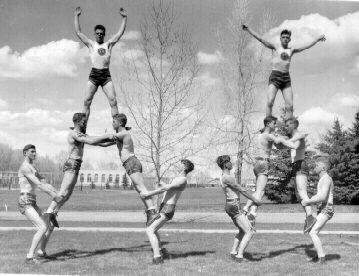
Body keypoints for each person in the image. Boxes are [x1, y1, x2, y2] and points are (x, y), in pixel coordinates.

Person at [44, 113, 116, 224]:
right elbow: (91, 141)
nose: (85, 122)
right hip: (72, 163)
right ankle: (48, 213)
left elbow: (100, 143)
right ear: (78, 122)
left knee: (68, 194)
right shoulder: (73, 134)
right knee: (63, 192)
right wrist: (108, 136)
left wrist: (115, 140)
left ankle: (54, 212)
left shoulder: (81, 135)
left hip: (76, 165)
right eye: (83, 121)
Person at [242, 24, 325, 119]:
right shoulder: (275, 47)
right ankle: (267, 125)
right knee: (270, 101)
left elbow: (306, 46)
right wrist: (249, 29)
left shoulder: (292, 50)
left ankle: (289, 128)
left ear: (289, 40)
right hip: (275, 76)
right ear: (280, 39)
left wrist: (317, 39)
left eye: (287, 38)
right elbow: (261, 39)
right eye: (283, 37)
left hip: (286, 78)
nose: (285, 39)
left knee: (289, 105)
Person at [243, 116, 306, 231]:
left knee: (257, 190)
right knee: (260, 191)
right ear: (268, 124)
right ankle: (251, 214)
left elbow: (279, 143)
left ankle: (246, 208)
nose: (276, 126)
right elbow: (280, 143)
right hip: (264, 163)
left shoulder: (261, 135)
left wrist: (284, 137)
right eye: (274, 123)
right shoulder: (269, 135)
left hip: (257, 163)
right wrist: (297, 137)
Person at [74, 6, 127, 121]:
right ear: (94, 34)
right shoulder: (91, 44)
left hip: (105, 75)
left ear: (104, 34)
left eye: (101, 33)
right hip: (94, 74)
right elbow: (78, 32)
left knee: (113, 101)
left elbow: (119, 34)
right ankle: (82, 128)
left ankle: (118, 129)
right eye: (97, 33)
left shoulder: (108, 44)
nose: (99, 35)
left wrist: (124, 18)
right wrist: (76, 16)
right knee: (87, 101)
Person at [140, 159, 195, 265]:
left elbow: (164, 189)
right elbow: (169, 189)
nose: (177, 166)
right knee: (154, 230)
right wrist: (164, 184)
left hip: (167, 209)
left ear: (184, 167)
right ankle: (160, 252)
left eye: (179, 165)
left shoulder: (182, 180)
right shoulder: (178, 179)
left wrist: (148, 194)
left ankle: (157, 258)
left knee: (150, 230)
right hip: (165, 208)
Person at [112, 113, 158, 226]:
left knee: (141, 188)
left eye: (114, 121)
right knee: (139, 189)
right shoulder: (120, 134)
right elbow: (105, 141)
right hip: (129, 163)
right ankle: (150, 211)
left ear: (120, 123)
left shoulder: (124, 133)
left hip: (131, 162)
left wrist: (86, 138)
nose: (112, 123)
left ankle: (152, 211)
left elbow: (105, 138)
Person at [18, 144, 62, 264]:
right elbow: (38, 184)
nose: (34, 154)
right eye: (32, 152)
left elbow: (44, 182)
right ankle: (29, 257)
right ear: (25, 153)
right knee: (42, 226)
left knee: (50, 224)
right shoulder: (24, 168)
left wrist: (57, 192)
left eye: (35, 152)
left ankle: (41, 253)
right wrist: (53, 195)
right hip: (24, 201)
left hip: (32, 201)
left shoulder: (33, 167)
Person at [216, 155, 262, 263]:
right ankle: (240, 257)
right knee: (249, 232)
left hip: (230, 205)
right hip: (234, 206)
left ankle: (233, 253)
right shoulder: (228, 178)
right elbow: (242, 190)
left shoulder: (223, 177)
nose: (231, 164)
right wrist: (255, 200)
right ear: (225, 164)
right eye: (229, 162)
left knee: (242, 231)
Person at [276, 118, 316, 233]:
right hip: (295, 166)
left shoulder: (299, 136)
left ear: (294, 125)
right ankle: (309, 217)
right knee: (299, 193)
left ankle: (310, 217)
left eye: (288, 125)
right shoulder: (292, 138)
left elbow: (294, 146)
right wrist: (275, 139)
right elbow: (280, 146)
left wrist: (281, 140)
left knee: (302, 192)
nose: (286, 127)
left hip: (300, 165)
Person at [301, 156, 334, 264]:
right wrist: (309, 200)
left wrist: (308, 201)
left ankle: (321, 258)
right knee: (313, 232)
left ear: (323, 167)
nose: (314, 166)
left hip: (326, 209)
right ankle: (318, 255)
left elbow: (323, 197)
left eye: (317, 165)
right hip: (323, 209)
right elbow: (319, 196)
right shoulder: (323, 179)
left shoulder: (327, 179)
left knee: (313, 232)